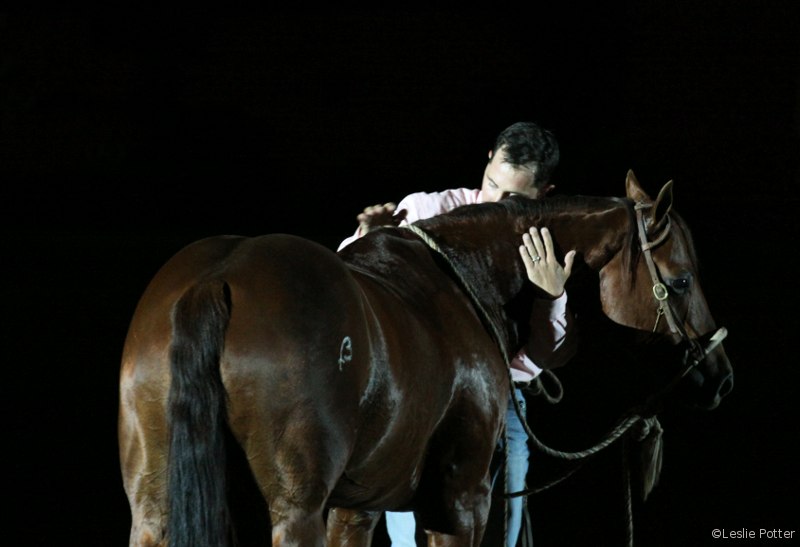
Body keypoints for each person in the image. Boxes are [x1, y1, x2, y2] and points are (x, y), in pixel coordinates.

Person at [338, 121, 576, 546]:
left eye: (515, 199)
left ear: (545, 195)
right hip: (418, 405)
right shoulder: (429, 210)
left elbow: (541, 359)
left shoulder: (543, 246)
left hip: (499, 408)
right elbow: (349, 291)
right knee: (407, 538)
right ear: (487, 161)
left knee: (504, 530)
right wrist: (365, 241)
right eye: (491, 186)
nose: (496, 204)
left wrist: (552, 295)